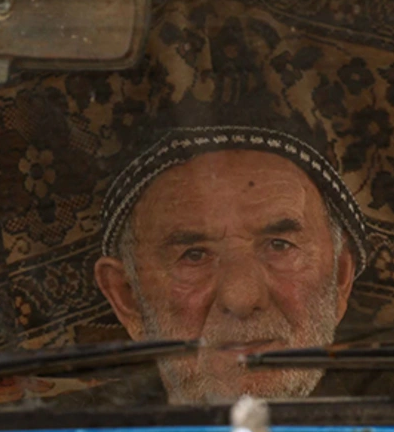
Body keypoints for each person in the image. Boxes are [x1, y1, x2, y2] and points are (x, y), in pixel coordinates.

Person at [92, 124, 367, 403]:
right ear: (128, 297)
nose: (241, 298)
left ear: (340, 276)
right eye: (195, 255)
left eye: (279, 246)